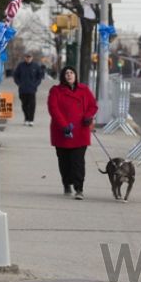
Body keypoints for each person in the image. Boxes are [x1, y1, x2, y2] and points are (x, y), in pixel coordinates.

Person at [47, 66, 98, 200]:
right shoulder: (56, 91)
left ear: (75, 75)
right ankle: (66, 183)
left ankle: (79, 188)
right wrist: (64, 126)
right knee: (64, 162)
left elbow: (93, 105)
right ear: (63, 76)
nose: (69, 75)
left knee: (78, 162)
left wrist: (88, 116)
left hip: (80, 131)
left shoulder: (84, 90)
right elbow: (53, 109)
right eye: (66, 73)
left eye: (71, 73)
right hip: (62, 131)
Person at [13, 53, 44, 126]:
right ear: (25, 58)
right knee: (24, 105)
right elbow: (15, 75)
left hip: (32, 89)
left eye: (29, 57)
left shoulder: (36, 66)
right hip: (22, 89)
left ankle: (31, 120)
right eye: (27, 57)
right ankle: (26, 118)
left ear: (32, 58)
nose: (28, 58)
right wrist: (19, 83)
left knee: (32, 105)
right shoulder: (20, 66)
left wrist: (35, 84)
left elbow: (40, 76)